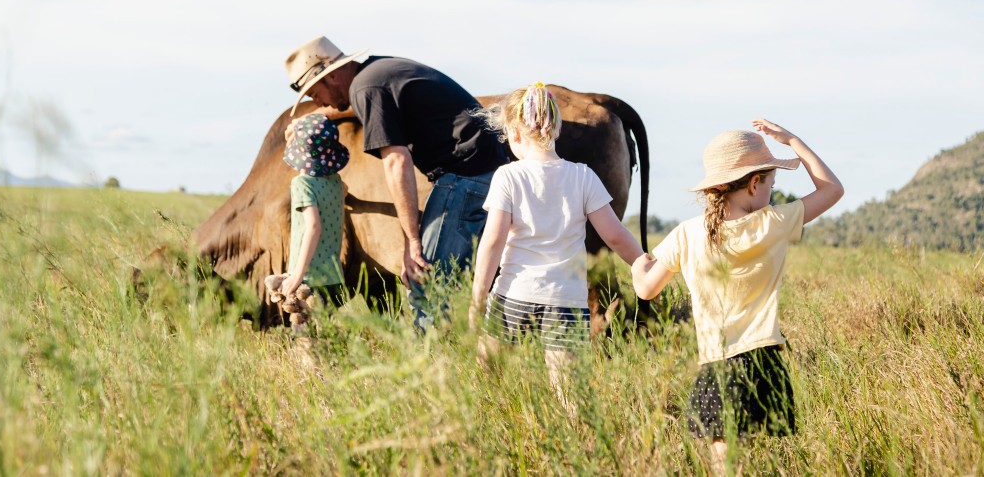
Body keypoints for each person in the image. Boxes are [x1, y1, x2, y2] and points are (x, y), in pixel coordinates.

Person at [632, 120, 843, 469]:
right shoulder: (773, 222)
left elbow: (646, 289)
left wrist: (638, 266)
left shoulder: (686, 234)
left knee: (724, 465)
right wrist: (793, 142)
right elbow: (832, 189)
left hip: (717, 364)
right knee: (763, 462)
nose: (771, 194)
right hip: (764, 362)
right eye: (771, 185)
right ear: (754, 183)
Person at [284, 36, 510, 331]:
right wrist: (320, 113)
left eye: (315, 94)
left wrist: (412, 242)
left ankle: (431, 370)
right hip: (484, 169)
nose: (319, 102)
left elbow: (396, 161)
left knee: (426, 281)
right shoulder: (376, 73)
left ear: (334, 76)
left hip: (466, 176)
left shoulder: (368, 88)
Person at [470, 83, 648, 398]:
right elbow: (615, 236)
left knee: (488, 379)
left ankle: (488, 434)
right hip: (566, 301)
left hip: (513, 295)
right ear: (558, 128)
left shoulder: (508, 177)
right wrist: (644, 263)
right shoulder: (583, 177)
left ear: (514, 133)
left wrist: (478, 297)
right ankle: (574, 436)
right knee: (568, 389)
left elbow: (492, 242)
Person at [277, 112, 349, 309]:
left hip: (309, 278)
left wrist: (297, 276)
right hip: (334, 277)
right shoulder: (337, 183)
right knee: (327, 334)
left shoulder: (302, 184)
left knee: (304, 335)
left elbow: (314, 227)